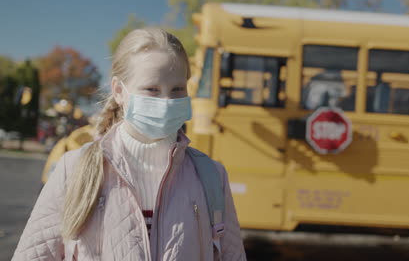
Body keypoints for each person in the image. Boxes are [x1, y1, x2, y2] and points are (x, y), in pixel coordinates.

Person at [12, 27, 247, 261]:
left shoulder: (211, 177)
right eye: (152, 90)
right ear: (119, 91)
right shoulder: (72, 170)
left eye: (177, 89)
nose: (166, 102)